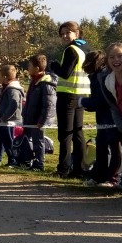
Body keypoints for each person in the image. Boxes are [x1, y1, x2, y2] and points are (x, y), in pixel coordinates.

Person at [50, 21, 90, 179]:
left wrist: (54, 66)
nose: (65, 36)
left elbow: (65, 73)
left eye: (68, 32)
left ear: (76, 33)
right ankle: (79, 169)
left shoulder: (70, 50)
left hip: (68, 95)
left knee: (65, 134)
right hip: (81, 95)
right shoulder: (84, 49)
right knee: (78, 133)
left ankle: (64, 169)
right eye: (62, 34)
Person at [80, 51, 122, 187]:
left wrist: (82, 102)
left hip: (111, 119)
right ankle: (99, 177)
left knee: (114, 150)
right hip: (103, 120)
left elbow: (101, 100)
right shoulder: (96, 77)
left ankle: (113, 178)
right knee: (102, 149)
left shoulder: (101, 77)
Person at [19, 54, 57, 172]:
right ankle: (29, 160)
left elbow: (49, 104)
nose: (28, 68)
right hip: (31, 117)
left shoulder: (46, 83)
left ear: (36, 68)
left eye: (30, 65)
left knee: (39, 141)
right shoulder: (34, 81)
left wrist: (42, 120)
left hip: (39, 119)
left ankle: (39, 163)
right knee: (30, 140)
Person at [96, 42, 122, 186]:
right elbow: (114, 106)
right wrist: (121, 126)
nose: (116, 60)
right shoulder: (107, 80)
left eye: (120, 56)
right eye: (112, 57)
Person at [0, 64, 25, 165]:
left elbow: (14, 104)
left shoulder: (12, 89)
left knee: (8, 140)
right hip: (3, 120)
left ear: (5, 77)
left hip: (10, 120)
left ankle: (12, 160)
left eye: (0, 76)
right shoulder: (5, 87)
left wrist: (5, 116)